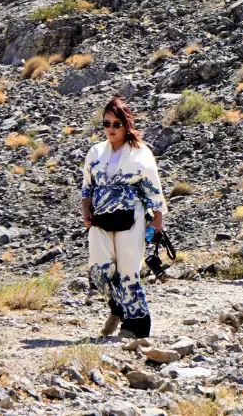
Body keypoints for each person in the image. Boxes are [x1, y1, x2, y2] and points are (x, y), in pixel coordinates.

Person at [81, 96, 167, 339]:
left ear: (126, 125)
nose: (111, 129)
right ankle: (117, 308)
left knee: (128, 270)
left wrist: (158, 218)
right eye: (106, 124)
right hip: (100, 219)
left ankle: (136, 325)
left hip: (131, 218)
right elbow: (87, 186)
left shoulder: (140, 153)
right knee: (99, 269)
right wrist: (86, 210)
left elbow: (153, 186)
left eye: (116, 124)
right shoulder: (95, 152)